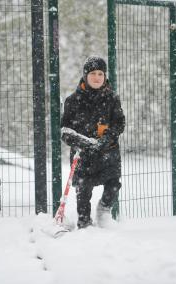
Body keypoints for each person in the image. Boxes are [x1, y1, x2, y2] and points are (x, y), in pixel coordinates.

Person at [61, 55, 125, 229]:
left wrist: (105, 140)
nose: (97, 77)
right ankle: (84, 223)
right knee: (83, 190)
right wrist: (83, 143)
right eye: (93, 74)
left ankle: (103, 211)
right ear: (85, 75)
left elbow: (119, 123)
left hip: (108, 153)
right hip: (83, 156)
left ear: (104, 76)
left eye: (100, 74)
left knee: (113, 185)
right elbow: (65, 130)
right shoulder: (73, 101)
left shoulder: (112, 98)